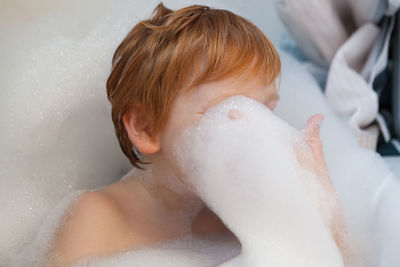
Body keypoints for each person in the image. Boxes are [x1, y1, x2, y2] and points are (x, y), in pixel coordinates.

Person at [46, 2, 345, 266]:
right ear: (146, 128)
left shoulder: (245, 216)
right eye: (228, 110)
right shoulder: (96, 220)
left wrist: (322, 210)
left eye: (265, 111)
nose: (257, 129)